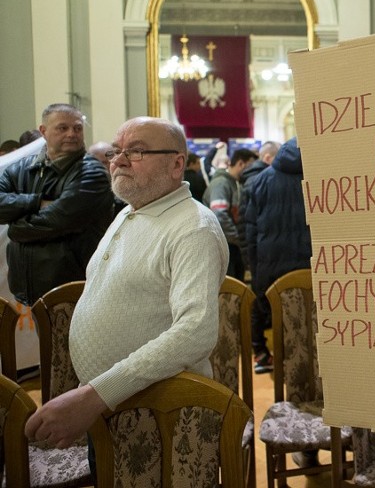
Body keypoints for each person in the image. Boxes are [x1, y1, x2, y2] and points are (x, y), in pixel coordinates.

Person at [24, 116, 228, 461]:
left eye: (136, 152)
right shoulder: (129, 213)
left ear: (177, 163)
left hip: (156, 413)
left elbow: (196, 331)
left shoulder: (193, 228)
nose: (118, 160)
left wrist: (95, 395)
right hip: (112, 405)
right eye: (116, 152)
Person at [0, 104, 113, 306]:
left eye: (77, 128)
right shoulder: (21, 169)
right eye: (63, 128)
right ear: (43, 131)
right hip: (26, 289)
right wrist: (36, 201)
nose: (72, 134)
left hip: (74, 290)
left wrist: (14, 227)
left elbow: (56, 219)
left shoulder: (92, 172)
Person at [243, 138, 310, 374]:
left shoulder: (261, 180)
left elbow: (250, 231)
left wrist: (256, 268)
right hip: (313, 265)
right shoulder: (319, 173)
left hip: (272, 268)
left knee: (281, 324)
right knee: (314, 328)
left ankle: (283, 377)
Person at [203, 147, 257, 280]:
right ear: (240, 164)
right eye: (250, 166)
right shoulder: (221, 183)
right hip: (223, 245)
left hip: (231, 244)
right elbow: (219, 215)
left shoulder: (235, 184)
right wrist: (238, 238)